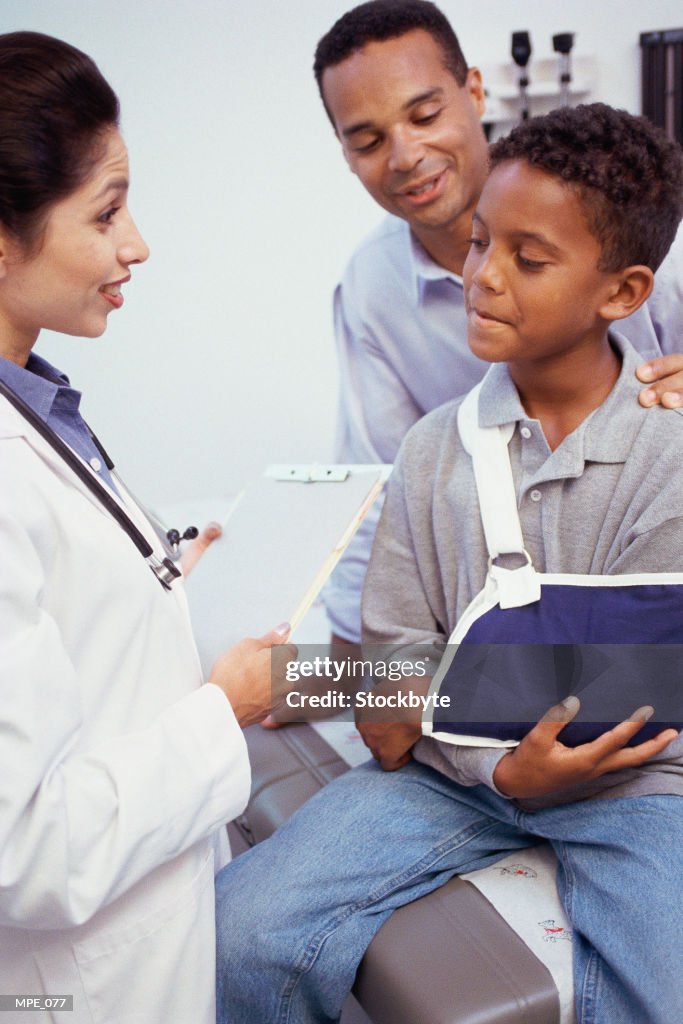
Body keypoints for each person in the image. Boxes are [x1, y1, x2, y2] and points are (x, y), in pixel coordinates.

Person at [215, 104, 683, 1024]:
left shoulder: (668, 450)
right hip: (451, 777)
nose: (482, 277)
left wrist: (425, 707)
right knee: (240, 927)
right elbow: (398, 655)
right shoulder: (433, 452)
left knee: (660, 993)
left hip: (635, 781)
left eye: (527, 259)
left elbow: (642, 682)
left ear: (623, 293)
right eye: (477, 246)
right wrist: (494, 771)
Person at [0, 32, 291, 1023]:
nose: (138, 245)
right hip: (83, 978)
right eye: (107, 212)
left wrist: (163, 586)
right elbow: (23, 848)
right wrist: (226, 708)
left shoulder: (37, 403)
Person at [317, 0, 683, 648]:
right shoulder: (371, 292)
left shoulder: (645, 241)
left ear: (474, 90)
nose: (405, 154)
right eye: (367, 140)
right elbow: (376, 499)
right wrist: (356, 669)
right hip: (481, 633)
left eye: (424, 114)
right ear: (343, 153)